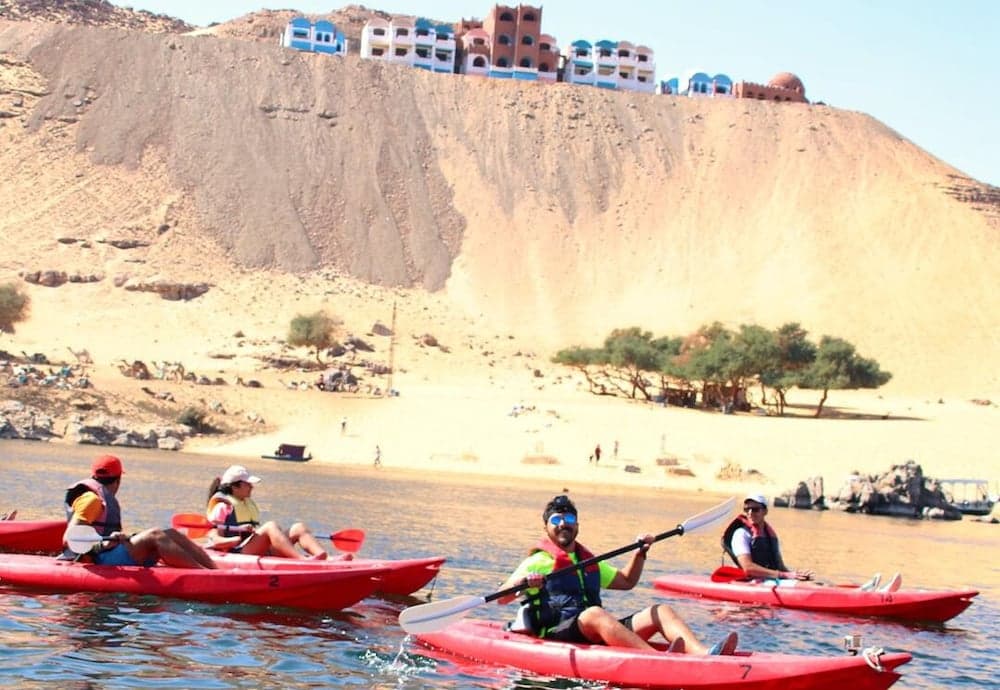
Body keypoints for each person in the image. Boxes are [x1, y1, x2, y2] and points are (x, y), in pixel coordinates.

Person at [497, 494, 738, 655]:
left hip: (593, 629)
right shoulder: (537, 561)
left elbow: (627, 581)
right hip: (557, 635)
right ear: (546, 527)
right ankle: (657, 659)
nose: (563, 524)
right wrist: (524, 583)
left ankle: (704, 655)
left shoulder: (589, 561)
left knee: (660, 611)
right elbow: (501, 597)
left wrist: (641, 553)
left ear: (577, 526)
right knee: (594, 614)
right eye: (556, 519)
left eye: (569, 518)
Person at [63, 454, 217, 569]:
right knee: (155, 535)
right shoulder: (92, 500)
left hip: (108, 552)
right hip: (96, 560)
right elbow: (70, 540)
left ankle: (214, 572)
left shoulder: (98, 497)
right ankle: (205, 575)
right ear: (118, 480)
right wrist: (103, 544)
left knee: (172, 533)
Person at [722, 494, 901, 591]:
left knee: (821, 585)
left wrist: (794, 574)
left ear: (765, 511)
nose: (751, 513)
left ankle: (865, 590)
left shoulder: (769, 534)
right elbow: (748, 568)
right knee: (810, 588)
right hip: (756, 583)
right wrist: (786, 576)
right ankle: (864, 596)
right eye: (747, 509)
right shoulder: (741, 534)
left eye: (755, 509)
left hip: (772, 580)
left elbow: (780, 567)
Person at [205, 465, 329, 560]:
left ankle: (328, 559)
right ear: (234, 487)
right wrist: (233, 540)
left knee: (298, 528)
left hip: (252, 548)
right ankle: (300, 560)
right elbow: (214, 538)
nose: (252, 487)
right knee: (271, 526)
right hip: (236, 552)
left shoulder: (245, 503)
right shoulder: (221, 506)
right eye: (247, 484)